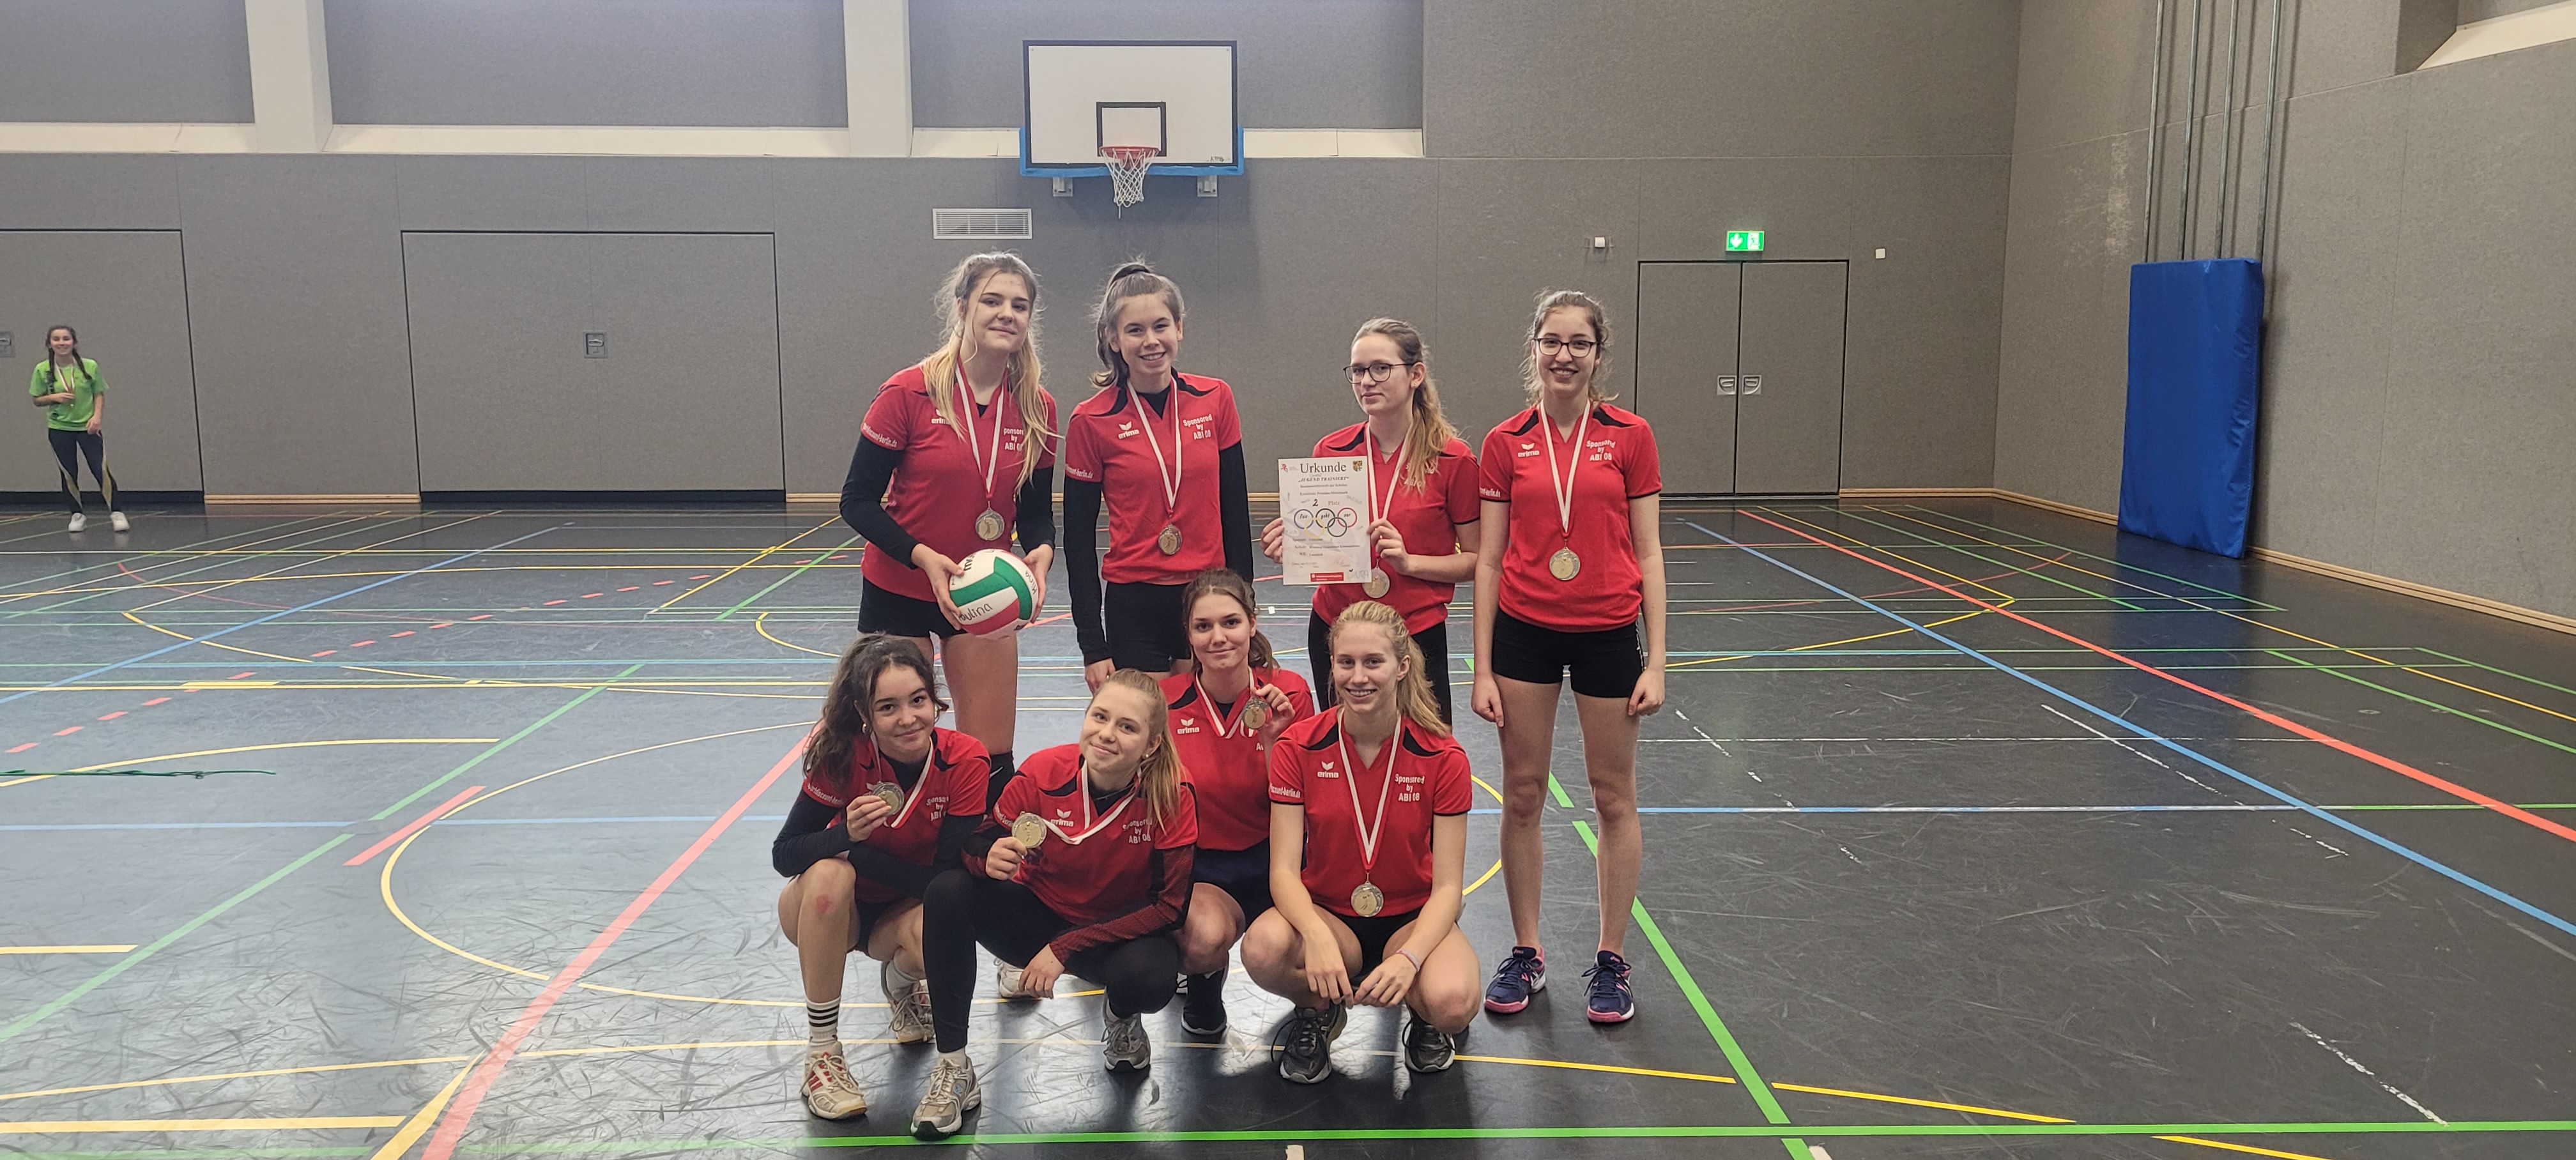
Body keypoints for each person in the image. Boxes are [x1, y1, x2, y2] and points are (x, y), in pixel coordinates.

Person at [1471, 289, 1667, 1025]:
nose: (1564, 355)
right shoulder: (1505, 441)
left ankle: (1612, 958)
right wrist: (1482, 667)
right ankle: (1526, 950)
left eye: (1579, 343)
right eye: (1552, 341)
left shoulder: (1631, 436)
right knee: (1522, 793)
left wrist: (1657, 661)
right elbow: (1489, 560)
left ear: (1597, 354)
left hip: (1609, 633)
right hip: (1524, 632)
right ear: (1534, 348)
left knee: (1613, 796)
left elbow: (1649, 551)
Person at [910, 669, 1197, 1139]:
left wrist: (1065, 947)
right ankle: (954, 1065)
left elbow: (1169, 908)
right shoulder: (1043, 772)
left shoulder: (1173, 793)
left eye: (1127, 727)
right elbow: (975, 842)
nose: (1107, 733)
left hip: (1116, 934)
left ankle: (1121, 1016)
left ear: (1151, 745)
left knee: (1150, 980)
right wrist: (988, 857)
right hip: (1038, 917)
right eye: (1099, 717)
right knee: (947, 891)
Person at [840, 252, 1055, 798]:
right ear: (962, 308)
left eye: (1020, 305)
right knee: (898, 751)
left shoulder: (1037, 406)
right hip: (900, 589)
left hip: (983, 596)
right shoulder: (907, 393)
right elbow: (856, 501)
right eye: (992, 300)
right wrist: (921, 556)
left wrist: (1042, 551)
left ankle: (980, 848)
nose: (1006, 313)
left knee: (990, 757)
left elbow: (1034, 512)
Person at [1243, 599, 1480, 1083]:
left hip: (1411, 919)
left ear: (1402, 667)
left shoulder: (1443, 756)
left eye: (1373, 662)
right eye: (1346, 662)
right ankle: (1319, 1009)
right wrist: (1315, 934)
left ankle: (1424, 1016)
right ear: (1331, 665)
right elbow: (1283, 871)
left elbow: (1448, 888)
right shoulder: (1297, 747)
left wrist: (1410, 960)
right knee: (1262, 948)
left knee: (1453, 1002)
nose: (1358, 677)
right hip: (1332, 917)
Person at [772, 635, 991, 1119]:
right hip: (830, 910)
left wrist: (857, 852)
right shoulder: (844, 755)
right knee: (829, 874)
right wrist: (843, 835)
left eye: (918, 700)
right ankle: (822, 1054)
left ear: (934, 699)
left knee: (941, 922)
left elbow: (943, 880)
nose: (908, 718)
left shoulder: (966, 760)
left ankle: (899, 982)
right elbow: (785, 854)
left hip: (901, 910)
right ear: (864, 714)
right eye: (888, 707)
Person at [1260, 318, 1480, 721]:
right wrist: (1297, 549)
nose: (1366, 381)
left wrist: (1411, 563)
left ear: (1415, 375)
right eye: (1358, 370)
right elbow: (1325, 550)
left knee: (1423, 750)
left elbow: (1477, 560)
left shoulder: (1452, 459)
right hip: (1338, 630)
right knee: (1343, 748)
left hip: (1415, 634)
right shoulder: (1331, 451)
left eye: (1380, 368)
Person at [1061, 262, 1252, 691]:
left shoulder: (1216, 398)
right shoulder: (1091, 420)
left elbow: (1236, 511)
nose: (1151, 341)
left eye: (1161, 326)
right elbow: (1077, 541)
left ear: (1179, 328)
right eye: (1135, 330)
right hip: (1135, 603)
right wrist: (1092, 644)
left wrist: (1244, 604)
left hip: (1208, 596)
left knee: (1204, 724)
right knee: (1146, 727)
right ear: (1113, 338)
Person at [1162, 569, 1312, 1035]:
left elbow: (1307, 803)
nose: (1218, 637)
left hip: (1281, 860)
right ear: (1188, 635)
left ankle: (1315, 1007)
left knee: (1275, 950)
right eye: (1203, 626)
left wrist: (1273, 744)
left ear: (1252, 623)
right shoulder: (1164, 703)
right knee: (1200, 940)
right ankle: (1205, 985)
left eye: (1230, 622)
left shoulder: (1288, 693)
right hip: (1207, 867)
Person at [29, 325, 125, 533]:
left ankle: (116, 512)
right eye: (56, 339)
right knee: (68, 472)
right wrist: (54, 397)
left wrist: (96, 417)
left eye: (66, 339)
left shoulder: (89, 366)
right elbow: (36, 400)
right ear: (50, 344)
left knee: (100, 469)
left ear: (74, 342)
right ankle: (77, 514)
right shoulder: (42, 369)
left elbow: (99, 393)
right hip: (59, 428)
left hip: (87, 427)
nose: (61, 343)